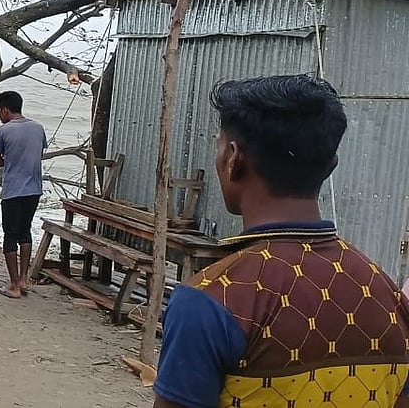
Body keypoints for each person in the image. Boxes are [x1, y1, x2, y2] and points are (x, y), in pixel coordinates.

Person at [153, 75, 409, 408]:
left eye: (218, 144)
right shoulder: (385, 295)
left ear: (233, 158)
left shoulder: (213, 299)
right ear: (331, 165)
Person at [0, 91, 46, 299]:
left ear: (5, 109)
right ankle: (24, 278)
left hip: (13, 190)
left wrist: (10, 159)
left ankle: (13, 286)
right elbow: (38, 155)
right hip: (34, 189)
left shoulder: (4, 130)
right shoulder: (38, 128)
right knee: (25, 232)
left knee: (10, 236)